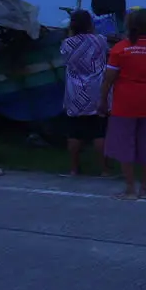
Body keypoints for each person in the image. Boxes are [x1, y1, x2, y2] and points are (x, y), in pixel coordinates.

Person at [99, 9, 146, 200]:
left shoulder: (120, 48)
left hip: (124, 104)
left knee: (125, 144)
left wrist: (103, 100)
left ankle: (130, 188)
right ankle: (145, 188)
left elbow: (108, 79)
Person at [61, 9, 110, 176]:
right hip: (96, 90)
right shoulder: (100, 41)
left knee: (75, 132)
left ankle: (74, 169)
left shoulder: (66, 44)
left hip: (75, 91)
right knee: (99, 131)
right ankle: (104, 170)